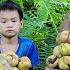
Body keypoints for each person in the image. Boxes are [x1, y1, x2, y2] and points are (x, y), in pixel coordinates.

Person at [0, 1, 39, 70]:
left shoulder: (28, 46)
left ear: (21, 23)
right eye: (4, 21)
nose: (9, 25)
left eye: (14, 21)